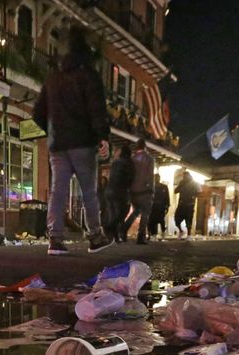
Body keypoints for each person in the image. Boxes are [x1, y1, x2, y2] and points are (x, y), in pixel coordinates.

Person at [32, 27, 113, 256]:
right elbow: (96, 109)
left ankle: (55, 239)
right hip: (82, 142)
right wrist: (102, 136)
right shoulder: (88, 75)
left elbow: (38, 112)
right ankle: (95, 236)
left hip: (58, 145)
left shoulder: (52, 80)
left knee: (58, 191)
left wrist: (52, 129)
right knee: (89, 190)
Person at [123, 139, 154, 244]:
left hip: (133, 190)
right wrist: (150, 188)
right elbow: (150, 176)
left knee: (136, 211)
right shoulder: (149, 159)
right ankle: (141, 236)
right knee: (145, 213)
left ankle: (124, 228)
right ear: (145, 147)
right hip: (145, 190)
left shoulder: (133, 159)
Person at [105, 144, 134, 242]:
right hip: (121, 191)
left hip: (109, 190)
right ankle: (109, 227)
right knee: (122, 214)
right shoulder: (129, 162)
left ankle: (115, 237)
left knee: (112, 214)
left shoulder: (115, 162)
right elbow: (130, 178)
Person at [174, 171, 199, 238]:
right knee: (177, 219)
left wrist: (193, 197)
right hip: (182, 204)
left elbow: (198, 192)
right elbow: (176, 191)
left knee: (188, 220)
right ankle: (181, 231)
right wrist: (181, 186)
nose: (184, 177)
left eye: (185, 176)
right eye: (184, 176)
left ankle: (189, 234)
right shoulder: (182, 183)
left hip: (190, 205)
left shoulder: (194, 183)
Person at [148, 172, 170, 240]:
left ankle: (163, 234)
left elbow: (167, 197)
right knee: (151, 221)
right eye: (155, 178)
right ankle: (152, 234)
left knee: (161, 220)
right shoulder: (150, 186)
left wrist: (167, 206)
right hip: (152, 206)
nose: (157, 179)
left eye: (158, 178)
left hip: (161, 207)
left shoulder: (164, 187)